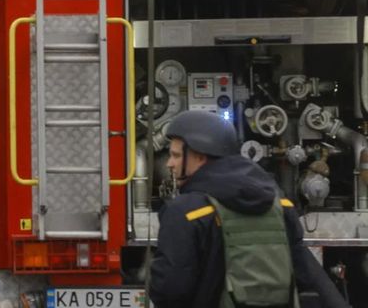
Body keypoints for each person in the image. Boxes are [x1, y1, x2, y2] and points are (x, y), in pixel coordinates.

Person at [149, 110, 350, 308]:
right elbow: (305, 276)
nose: (169, 164)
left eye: (175, 156)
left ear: (199, 156)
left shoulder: (186, 212)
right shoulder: (279, 204)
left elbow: (170, 291)